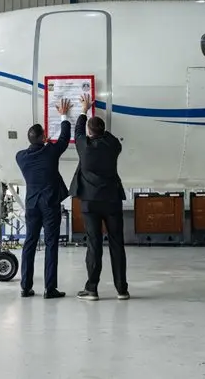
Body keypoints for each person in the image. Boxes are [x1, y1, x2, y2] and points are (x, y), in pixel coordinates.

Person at [69, 94, 129, 301]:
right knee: (117, 244)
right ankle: (122, 289)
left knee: (94, 245)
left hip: (90, 202)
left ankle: (92, 289)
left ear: (89, 132)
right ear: (103, 132)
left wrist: (84, 110)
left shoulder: (83, 146)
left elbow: (78, 130)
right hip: (112, 200)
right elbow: (110, 138)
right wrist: (99, 127)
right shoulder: (113, 146)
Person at [15, 98, 73, 299]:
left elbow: (38, 149)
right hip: (50, 204)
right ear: (43, 137)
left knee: (29, 243)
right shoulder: (50, 152)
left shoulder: (21, 157)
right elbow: (64, 137)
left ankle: (25, 287)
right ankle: (50, 288)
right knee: (51, 244)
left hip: (32, 205)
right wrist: (63, 115)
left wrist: (44, 143)